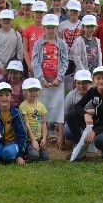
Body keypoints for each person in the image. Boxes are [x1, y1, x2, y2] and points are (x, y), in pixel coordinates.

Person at [65, 66, 103, 160]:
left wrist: (94, 131)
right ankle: (79, 147)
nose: (101, 81)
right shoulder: (92, 91)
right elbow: (78, 106)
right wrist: (85, 114)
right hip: (96, 124)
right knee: (72, 115)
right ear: (93, 81)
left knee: (100, 141)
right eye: (98, 78)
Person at [32, 14, 69, 142]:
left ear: (56, 28)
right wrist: (40, 78)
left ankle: (55, 131)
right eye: (48, 27)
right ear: (44, 28)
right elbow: (35, 61)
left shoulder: (62, 44)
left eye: (53, 27)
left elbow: (65, 62)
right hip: (43, 80)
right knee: (43, 105)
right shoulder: (38, 43)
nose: (50, 30)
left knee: (57, 105)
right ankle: (44, 130)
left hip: (56, 80)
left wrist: (59, 77)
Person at [0, 83, 27, 165]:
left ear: (11, 97)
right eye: (0, 95)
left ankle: (11, 153)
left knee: (7, 153)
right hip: (0, 143)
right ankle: (3, 153)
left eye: (7, 95)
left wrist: (20, 155)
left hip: (13, 142)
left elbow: (23, 135)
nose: (4, 98)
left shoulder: (17, 114)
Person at [0, 9, 23, 85]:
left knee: (13, 91)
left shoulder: (16, 34)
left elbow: (20, 52)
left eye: (9, 19)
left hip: (13, 70)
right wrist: (1, 67)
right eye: (4, 19)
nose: (6, 21)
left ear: (12, 21)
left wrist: (16, 68)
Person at [19, 78, 49, 161]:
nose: (34, 93)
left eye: (36, 90)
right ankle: (26, 152)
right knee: (34, 156)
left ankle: (35, 150)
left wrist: (44, 138)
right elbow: (26, 123)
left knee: (45, 157)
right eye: (30, 91)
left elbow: (43, 123)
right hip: (29, 139)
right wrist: (33, 140)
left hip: (39, 137)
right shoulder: (23, 106)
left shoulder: (41, 106)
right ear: (25, 92)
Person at [62, 69, 92, 147]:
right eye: (79, 83)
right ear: (75, 83)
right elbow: (63, 115)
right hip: (77, 122)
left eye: (84, 83)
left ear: (90, 83)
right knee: (67, 133)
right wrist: (60, 136)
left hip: (93, 122)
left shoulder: (96, 93)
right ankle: (77, 142)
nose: (81, 86)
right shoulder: (71, 95)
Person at [58, 0, 82, 75]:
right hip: (66, 57)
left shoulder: (82, 25)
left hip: (79, 57)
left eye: (75, 11)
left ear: (79, 12)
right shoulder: (62, 25)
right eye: (71, 10)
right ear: (67, 11)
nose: (73, 13)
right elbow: (59, 41)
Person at [23, 1, 47, 78]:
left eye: (41, 12)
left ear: (45, 14)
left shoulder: (49, 29)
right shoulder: (28, 30)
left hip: (46, 65)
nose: (39, 14)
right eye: (37, 12)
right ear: (33, 13)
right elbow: (25, 50)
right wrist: (30, 66)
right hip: (32, 64)